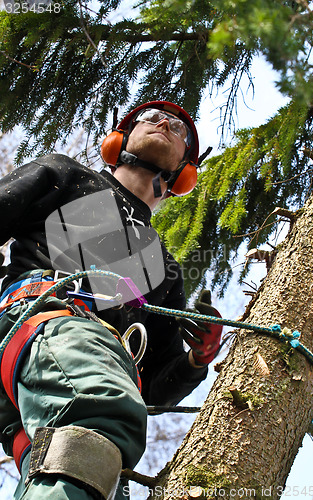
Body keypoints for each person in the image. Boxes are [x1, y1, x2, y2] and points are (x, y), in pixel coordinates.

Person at [0, 101, 223, 499]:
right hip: (45, 324)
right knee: (100, 419)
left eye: (179, 129)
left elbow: (151, 387)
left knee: (94, 474)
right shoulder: (67, 176)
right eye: (151, 118)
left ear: (184, 172)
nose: (164, 124)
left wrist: (195, 361)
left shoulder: (162, 266)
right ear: (119, 141)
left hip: (63, 368)